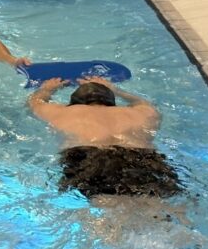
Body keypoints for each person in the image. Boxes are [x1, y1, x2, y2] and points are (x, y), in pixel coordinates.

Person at [28, 76, 181, 198]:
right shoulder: (141, 113)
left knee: (107, 209)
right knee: (158, 204)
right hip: (143, 159)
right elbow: (145, 103)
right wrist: (116, 89)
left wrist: (47, 89)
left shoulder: (62, 112)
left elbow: (34, 103)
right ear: (111, 102)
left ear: (73, 103)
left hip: (91, 159)